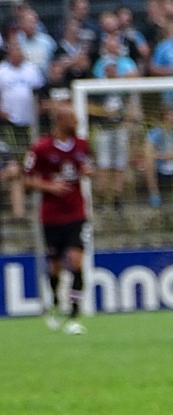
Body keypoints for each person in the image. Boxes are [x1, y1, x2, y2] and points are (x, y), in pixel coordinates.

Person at [22, 104, 91, 335]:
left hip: (76, 213)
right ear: (60, 121)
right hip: (51, 217)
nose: (77, 122)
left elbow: (83, 167)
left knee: (76, 260)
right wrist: (49, 185)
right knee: (56, 267)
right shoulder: (41, 148)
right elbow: (27, 180)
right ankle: (52, 303)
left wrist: (88, 172)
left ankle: (73, 316)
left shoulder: (82, 145)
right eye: (72, 118)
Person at [91, 35, 140, 208]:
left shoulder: (123, 88)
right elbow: (93, 109)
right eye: (108, 67)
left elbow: (131, 105)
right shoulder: (96, 88)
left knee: (120, 162)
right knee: (103, 163)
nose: (111, 70)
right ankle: (102, 196)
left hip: (119, 128)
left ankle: (118, 196)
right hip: (104, 129)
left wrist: (128, 120)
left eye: (113, 67)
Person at [0, 42, 44, 219]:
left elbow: (39, 92)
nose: (17, 55)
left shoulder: (31, 71)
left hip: (29, 124)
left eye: (20, 52)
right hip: (8, 123)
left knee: (28, 163)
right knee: (14, 164)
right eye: (14, 51)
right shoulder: (2, 71)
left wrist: (38, 108)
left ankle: (29, 206)